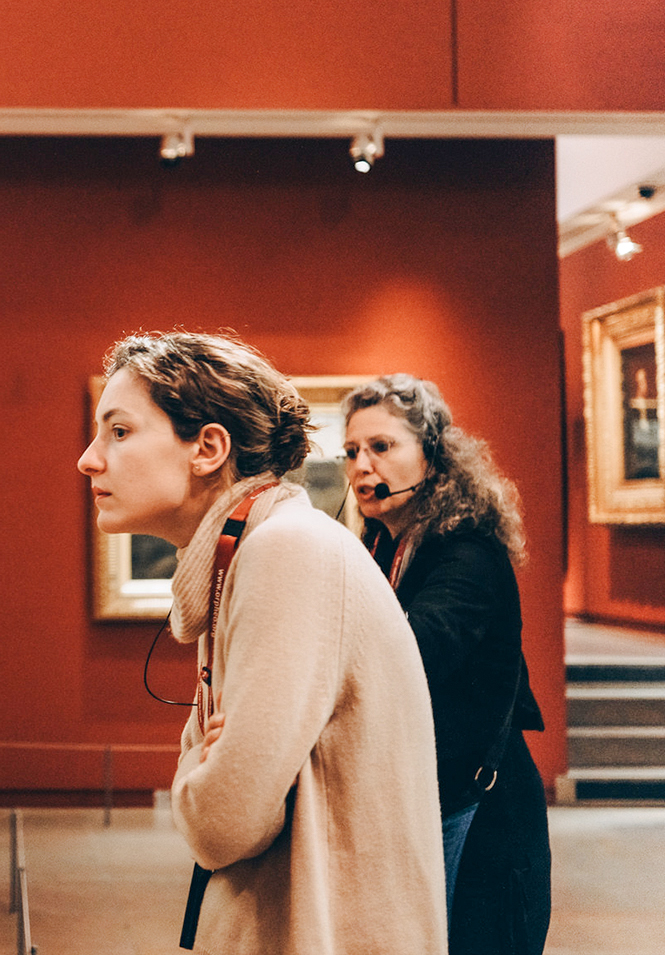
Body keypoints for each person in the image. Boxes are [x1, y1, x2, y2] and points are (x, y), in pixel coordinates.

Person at [78, 331, 445, 955]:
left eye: (118, 432)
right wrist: (215, 760)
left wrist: (197, 762)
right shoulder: (252, 550)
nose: (89, 459)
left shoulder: (285, 551)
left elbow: (225, 824)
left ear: (208, 448)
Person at [342, 374, 551, 955]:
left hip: (484, 817)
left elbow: (410, 651)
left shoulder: (468, 551)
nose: (362, 466)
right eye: (353, 452)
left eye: (382, 447)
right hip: (430, 800)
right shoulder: (384, 545)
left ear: (432, 457)